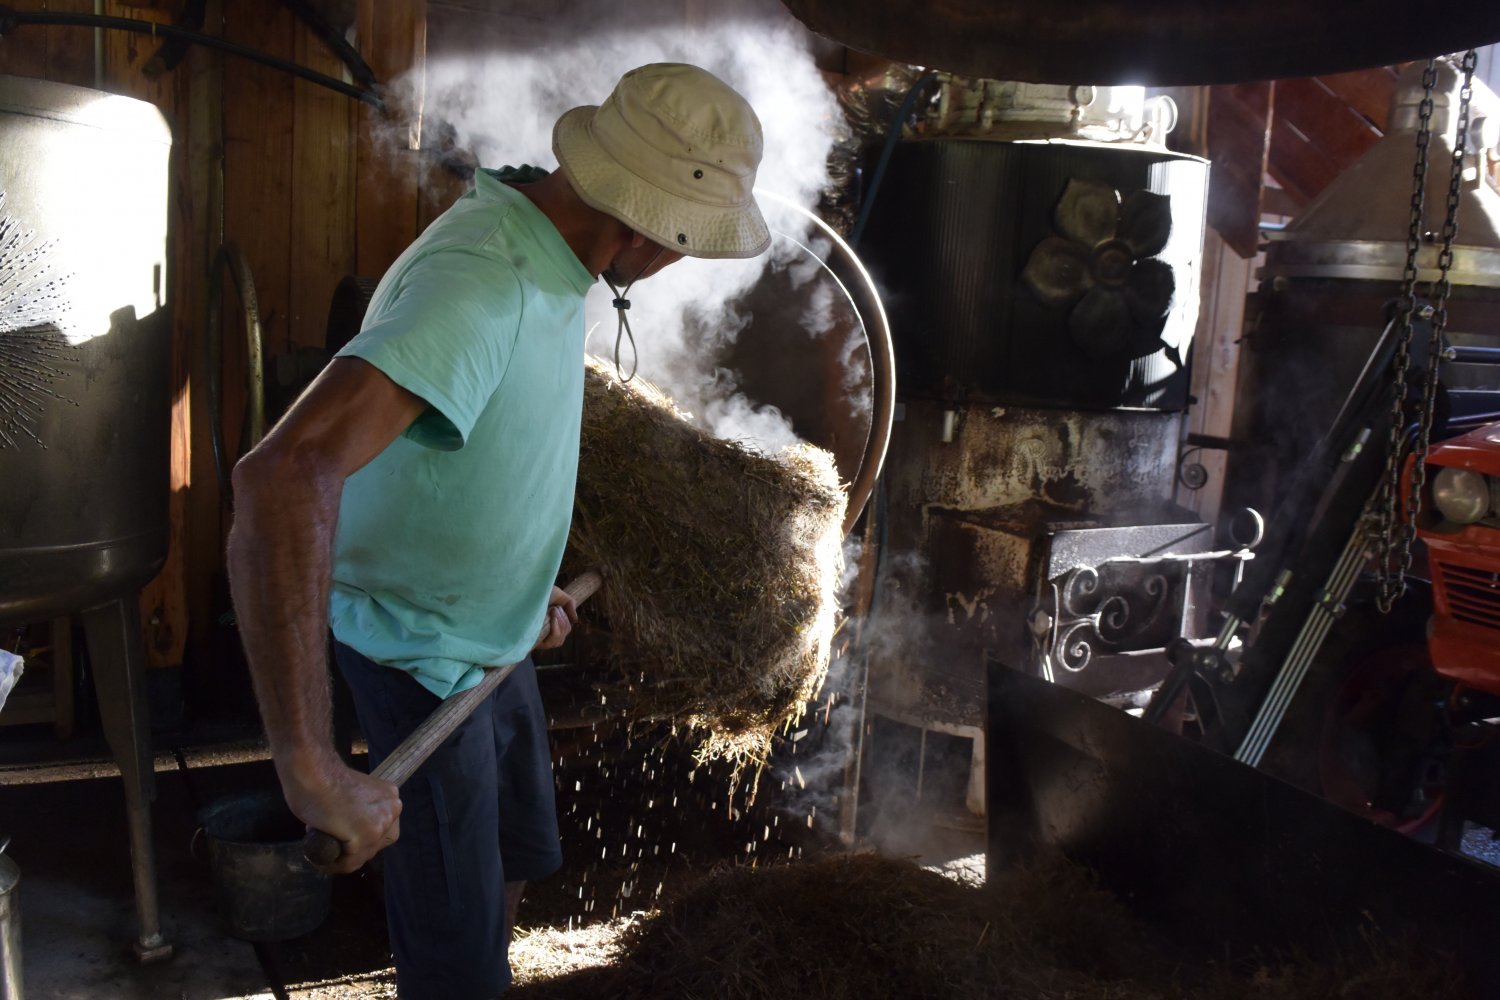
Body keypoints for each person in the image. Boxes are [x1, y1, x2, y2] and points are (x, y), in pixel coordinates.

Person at [226, 63, 769, 998]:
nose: (686, 261)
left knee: (513, 857)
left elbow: (466, 458)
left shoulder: (550, 248)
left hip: (490, 640)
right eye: (689, 242)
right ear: (647, 223)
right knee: (456, 955)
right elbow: (281, 477)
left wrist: (519, 589)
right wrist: (308, 765)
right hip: (422, 659)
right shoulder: (486, 282)